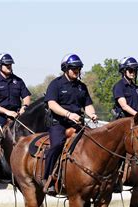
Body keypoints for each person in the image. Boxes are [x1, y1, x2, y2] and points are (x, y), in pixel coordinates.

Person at [42, 54, 98, 194]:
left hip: (78, 124)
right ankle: (48, 179)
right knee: (56, 146)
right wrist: (68, 114)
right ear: (65, 69)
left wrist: (92, 114)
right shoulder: (56, 84)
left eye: (78, 68)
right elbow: (52, 104)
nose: (76, 71)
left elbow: (88, 105)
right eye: (73, 68)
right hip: (59, 124)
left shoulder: (82, 87)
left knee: (95, 142)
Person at [0, 53, 31, 172]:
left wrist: (24, 107)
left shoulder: (18, 81)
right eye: (6, 64)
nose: (9, 66)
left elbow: (26, 96)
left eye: (10, 64)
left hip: (18, 114)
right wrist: (7, 112)